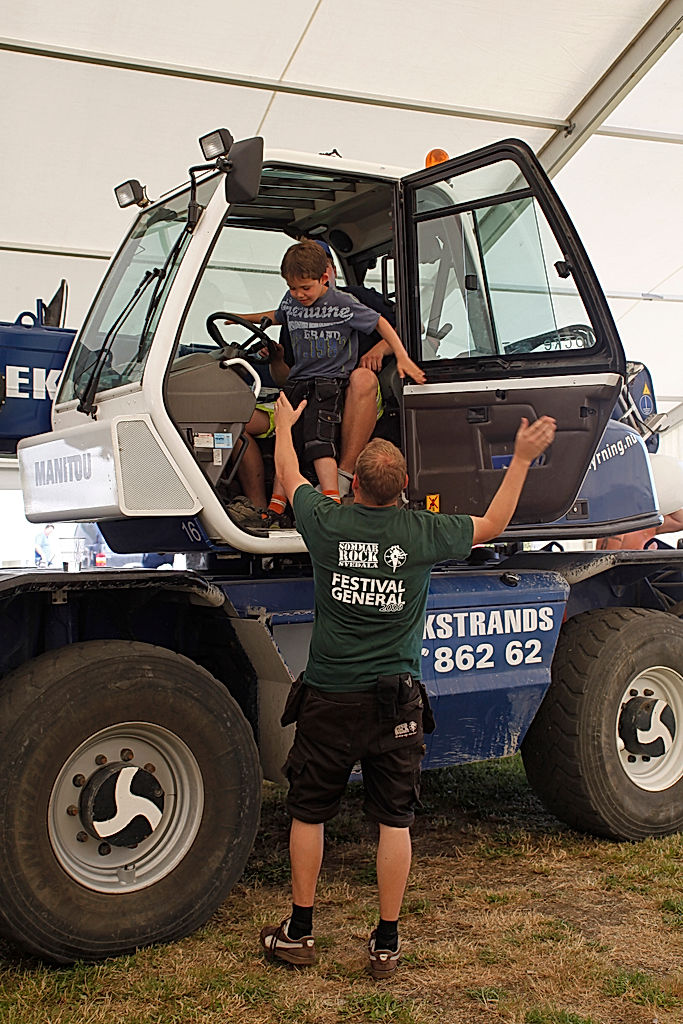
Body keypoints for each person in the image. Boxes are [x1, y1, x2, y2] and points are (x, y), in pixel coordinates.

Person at [259, 391, 556, 978]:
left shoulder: (326, 521)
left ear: (354, 487)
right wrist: (521, 458)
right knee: (394, 821)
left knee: (310, 814)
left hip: (329, 698)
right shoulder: (422, 532)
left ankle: (300, 932)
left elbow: (290, 475)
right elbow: (494, 525)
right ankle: (386, 942)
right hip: (396, 702)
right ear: (404, 487)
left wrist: (285, 427)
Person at [236, 240, 424, 526]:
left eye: (305, 286)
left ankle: (335, 490)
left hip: (335, 389)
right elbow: (275, 324)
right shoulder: (294, 305)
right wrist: (248, 328)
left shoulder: (350, 300)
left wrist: (392, 352)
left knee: (318, 439)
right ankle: (262, 508)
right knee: (255, 427)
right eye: (293, 287)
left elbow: (402, 325)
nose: (299, 294)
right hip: (297, 386)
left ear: (327, 272)